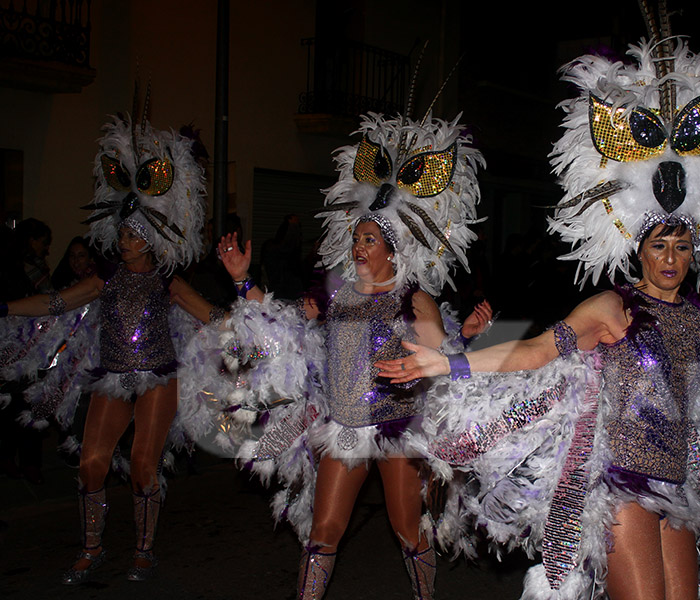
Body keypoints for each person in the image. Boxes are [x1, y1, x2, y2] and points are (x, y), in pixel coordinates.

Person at [374, 34, 700, 600]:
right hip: (621, 487)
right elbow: (535, 352)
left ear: (694, 249)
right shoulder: (613, 308)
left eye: (680, 246)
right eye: (658, 246)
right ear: (637, 250)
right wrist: (447, 362)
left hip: (680, 484)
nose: (670, 259)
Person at [190, 111, 489, 600]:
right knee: (322, 533)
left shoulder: (415, 298)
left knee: (408, 533)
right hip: (346, 423)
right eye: (356, 238)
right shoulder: (339, 293)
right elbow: (285, 326)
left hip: (399, 428)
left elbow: (442, 357)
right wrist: (244, 280)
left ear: (393, 251)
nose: (357, 247)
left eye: (368, 239)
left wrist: (467, 339)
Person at [0, 111, 214, 585]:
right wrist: (6, 306)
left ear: (153, 238)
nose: (125, 240)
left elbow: (213, 317)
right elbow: (55, 301)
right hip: (113, 377)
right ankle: (91, 546)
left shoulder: (166, 280)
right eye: (122, 233)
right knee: (91, 462)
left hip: (160, 376)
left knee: (142, 464)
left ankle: (143, 548)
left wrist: (258, 314)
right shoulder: (107, 278)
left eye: (135, 234)